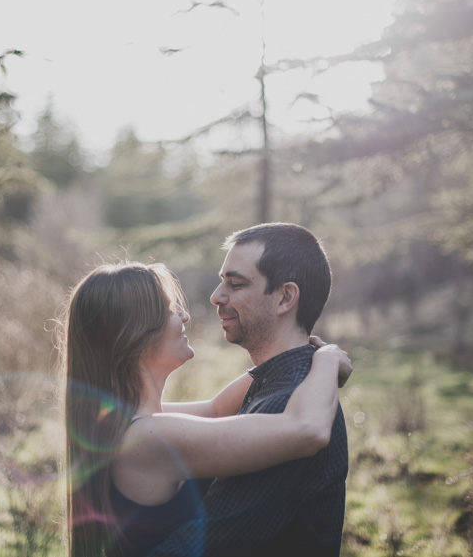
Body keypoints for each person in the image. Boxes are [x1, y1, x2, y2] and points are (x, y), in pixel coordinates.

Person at [62, 260, 351, 557]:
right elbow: (308, 428)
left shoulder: (128, 422)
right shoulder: (149, 437)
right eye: (172, 310)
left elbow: (216, 409)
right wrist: (328, 358)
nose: (185, 316)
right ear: (134, 334)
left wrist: (299, 353)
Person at [147, 222, 347, 557]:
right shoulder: (275, 384)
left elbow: (195, 549)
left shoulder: (284, 405)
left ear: (285, 297)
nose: (216, 297)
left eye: (235, 284)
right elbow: (200, 412)